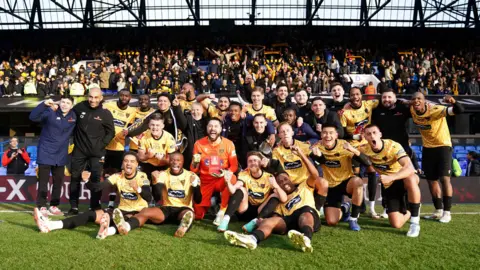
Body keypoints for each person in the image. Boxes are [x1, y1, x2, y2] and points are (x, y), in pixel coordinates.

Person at [223, 144, 326, 253]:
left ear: (290, 179)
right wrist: (263, 221)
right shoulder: (281, 200)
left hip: (307, 214)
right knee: (270, 221)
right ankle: (252, 239)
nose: (283, 182)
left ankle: (306, 238)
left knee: (305, 215)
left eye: (285, 179)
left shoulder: (304, 187)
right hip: (290, 221)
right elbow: (276, 215)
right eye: (280, 182)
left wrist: (301, 153)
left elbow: (314, 174)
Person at [33, 152, 151, 239]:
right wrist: (87, 181)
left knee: (123, 220)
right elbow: (98, 188)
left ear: (136, 164)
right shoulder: (117, 176)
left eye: (132, 161)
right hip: (120, 211)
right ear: (123, 164)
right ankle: (51, 225)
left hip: (137, 211)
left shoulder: (142, 176)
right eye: (126, 161)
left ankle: (108, 230)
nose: (128, 163)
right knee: (91, 214)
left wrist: (138, 189)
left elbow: (148, 198)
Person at [111, 152, 202, 238]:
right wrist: (155, 182)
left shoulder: (191, 175)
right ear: (169, 161)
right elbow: (157, 197)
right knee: (145, 211)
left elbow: (198, 200)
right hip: (166, 208)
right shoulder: (163, 174)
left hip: (183, 208)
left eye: (178, 160)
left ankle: (183, 227)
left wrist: (195, 186)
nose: (175, 163)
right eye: (172, 160)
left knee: (188, 214)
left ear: (183, 162)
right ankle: (125, 226)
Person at [410, 93, 464, 223]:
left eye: (419, 99)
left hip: (443, 146)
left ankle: (447, 212)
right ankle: (438, 210)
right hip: (428, 148)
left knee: (444, 179)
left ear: (424, 101)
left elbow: (459, 110)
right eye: (414, 99)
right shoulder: (412, 109)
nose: (416, 101)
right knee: (431, 180)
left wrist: (453, 101)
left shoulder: (435, 110)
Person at [361, 124, 421, 237]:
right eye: (368, 134)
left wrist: (391, 177)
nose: (372, 136)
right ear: (365, 137)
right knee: (396, 224)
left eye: (374, 133)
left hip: (402, 178)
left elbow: (410, 168)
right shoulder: (364, 149)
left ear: (380, 135)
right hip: (389, 186)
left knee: (410, 178)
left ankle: (414, 223)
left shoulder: (393, 146)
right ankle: (411, 208)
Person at [310, 124, 369, 231]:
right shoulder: (316, 147)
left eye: (331, 133)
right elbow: (319, 160)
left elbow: (367, 162)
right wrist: (317, 156)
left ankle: (353, 218)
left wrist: (353, 149)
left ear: (336, 135)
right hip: (330, 186)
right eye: (324, 133)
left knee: (358, 182)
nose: (328, 136)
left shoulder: (344, 145)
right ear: (321, 134)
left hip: (345, 182)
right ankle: (345, 208)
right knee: (331, 221)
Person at [69, 85, 115, 215]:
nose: (93, 100)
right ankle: (74, 207)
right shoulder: (79, 107)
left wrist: (101, 145)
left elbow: (110, 132)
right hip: (79, 150)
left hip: (97, 152)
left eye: (96, 97)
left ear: (101, 98)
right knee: (75, 178)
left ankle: (94, 206)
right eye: (90, 97)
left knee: (95, 178)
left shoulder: (105, 113)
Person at [216, 152, 287, 232]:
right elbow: (233, 191)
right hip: (245, 209)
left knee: (276, 195)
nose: (253, 163)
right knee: (241, 189)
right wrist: (228, 182)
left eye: (255, 160)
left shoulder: (268, 176)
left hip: (260, 211)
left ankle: (255, 222)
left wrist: (276, 185)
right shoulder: (244, 174)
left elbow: (284, 199)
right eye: (250, 161)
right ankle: (225, 220)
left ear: (261, 163)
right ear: (247, 164)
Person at [29, 96, 76, 216]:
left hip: (60, 155)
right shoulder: (51, 112)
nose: (64, 105)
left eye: (68, 103)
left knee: (58, 182)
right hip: (45, 152)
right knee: (44, 182)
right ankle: (42, 206)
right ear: (59, 103)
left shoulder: (74, 117)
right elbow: (33, 117)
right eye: (63, 102)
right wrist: (44, 104)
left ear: (71, 106)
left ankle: (54, 206)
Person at [340, 87, 379, 217]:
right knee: (357, 177)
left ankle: (372, 208)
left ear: (361, 95)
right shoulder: (345, 113)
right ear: (349, 97)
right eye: (352, 95)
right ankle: (360, 206)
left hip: (368, 145)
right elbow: (342, 133)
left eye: (357, 94)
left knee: (372, 172)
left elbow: (385, 100)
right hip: (353, 149)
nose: (355, 97)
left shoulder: (369, 104)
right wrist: (355, 137)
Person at [191, 118, 239, 224]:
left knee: (231, 177)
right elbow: (193, 169)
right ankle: (212, 205)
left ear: (221, 129)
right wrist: (195, 162)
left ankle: (221, 211)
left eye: (216, 126)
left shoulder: (228, 144)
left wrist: (227, 172)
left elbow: (234, 165)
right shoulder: (199, 144)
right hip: (205, 180)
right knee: (198, 214)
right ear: (207, 128)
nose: (213, 129)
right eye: (210, 126)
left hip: (221, 179)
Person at [103, 89, 137, 208]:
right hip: (103, 146)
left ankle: (112, 202)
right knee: (102, 174)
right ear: (119, 96)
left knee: (116, 175)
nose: (124, 97)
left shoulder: (133, 111)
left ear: (130, 98)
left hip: (118, 148)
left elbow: (135, 127)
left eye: (126, 96)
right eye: (122, 95)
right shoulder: (108, 106)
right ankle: (94, 202)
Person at [137, 113, 177, 202]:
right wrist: (148, 156)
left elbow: (172, 161)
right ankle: (145, 203)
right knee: (143, 184)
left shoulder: (169, 138)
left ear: (163, 126)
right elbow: (140, 157)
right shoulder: (143, 136)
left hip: (163, 166)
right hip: (148, 164)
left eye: (158, 125)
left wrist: (162, 158)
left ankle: (158, 202)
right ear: (149, 125)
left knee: (158, 185)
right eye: (152, 125)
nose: (155, 128)